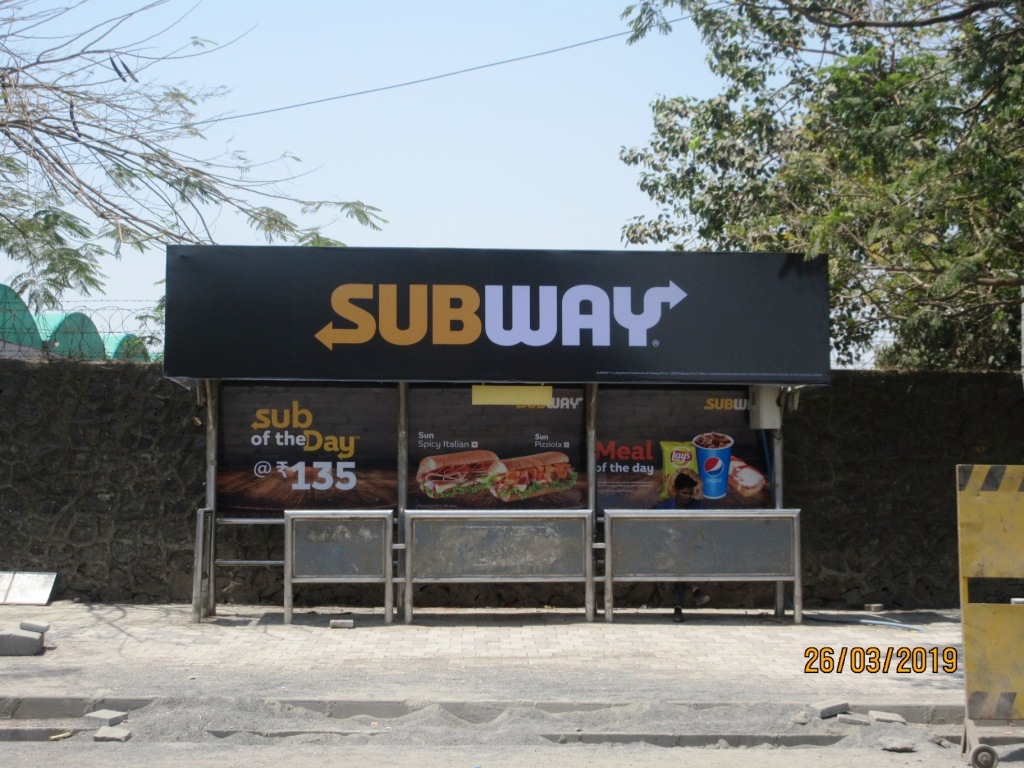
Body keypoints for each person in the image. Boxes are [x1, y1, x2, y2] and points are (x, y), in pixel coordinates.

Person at [656, 473, 711, 621]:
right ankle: (693, 590)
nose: (687, 496)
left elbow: (703, 530)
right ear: (676, 491)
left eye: (690, 493)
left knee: (681, 562)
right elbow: (659, 530)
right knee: (680, 560)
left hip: (693, 549)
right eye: (684, 493)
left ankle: (679, 607)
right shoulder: (665, 507)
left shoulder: (698, 506)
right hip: (669, 549)